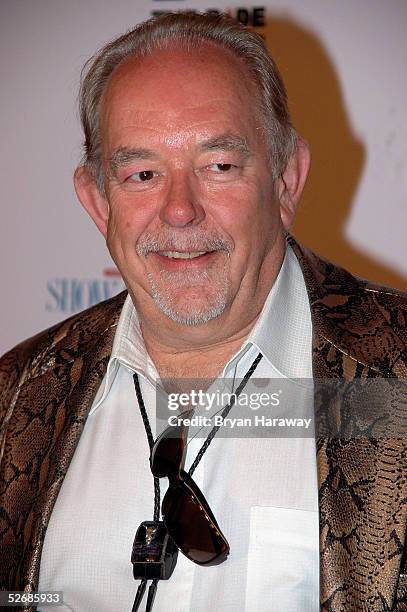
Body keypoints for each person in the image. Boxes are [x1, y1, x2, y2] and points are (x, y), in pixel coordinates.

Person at [1, 11, 406, 612]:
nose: (180, 211)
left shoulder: (395, 375)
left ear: (286, 179)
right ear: (96, 201)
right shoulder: (14, 398)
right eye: (142, 174)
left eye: (219, 166)